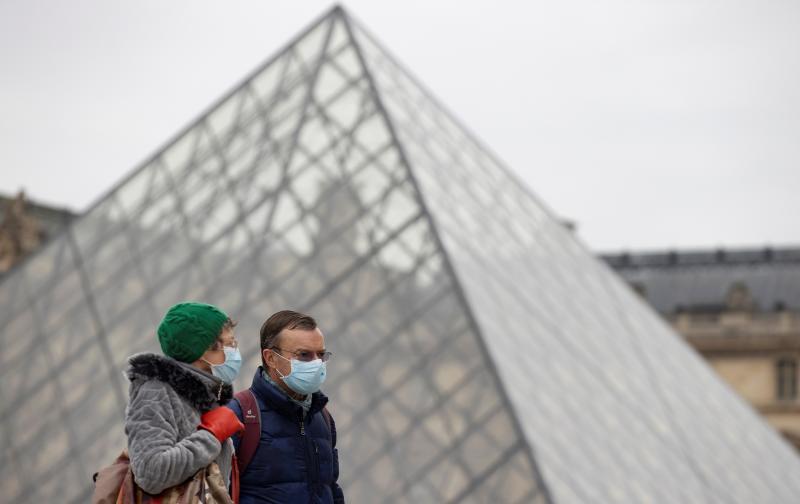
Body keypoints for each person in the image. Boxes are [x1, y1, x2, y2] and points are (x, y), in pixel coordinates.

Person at [125, 301, 245, 495]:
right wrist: (212, 435)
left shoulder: (206, 395)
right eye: (230, 344)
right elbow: (150, 472)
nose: (235, 351)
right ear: (202, 349)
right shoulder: (156, 393)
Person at [227, 310, 345, 503]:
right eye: (304, 355)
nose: (316, 363)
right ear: (271, 358)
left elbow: (331, 487)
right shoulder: (239, 414)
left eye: (321, 355)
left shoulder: (322, 417)